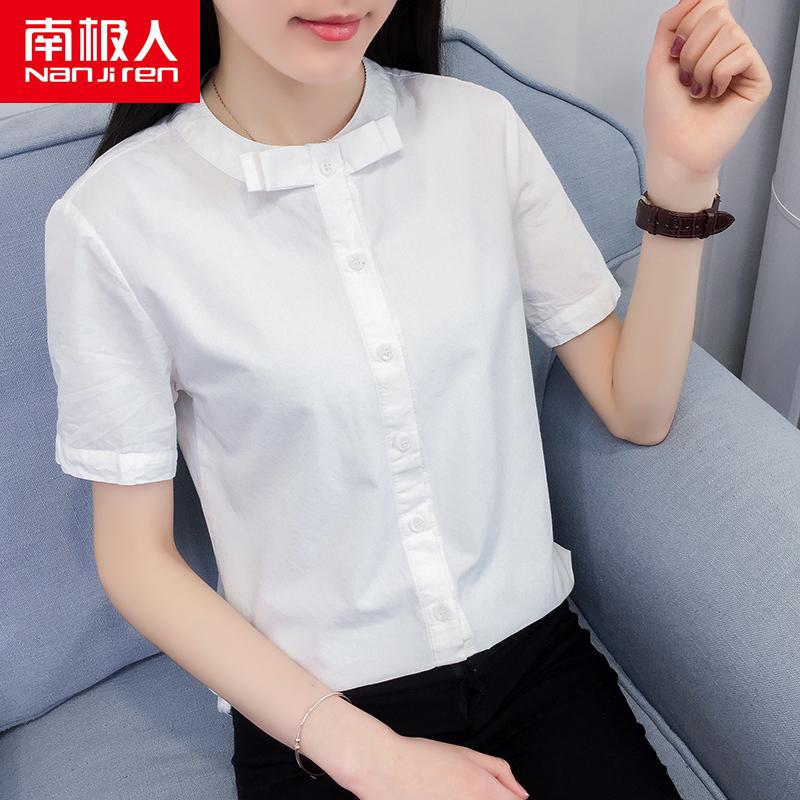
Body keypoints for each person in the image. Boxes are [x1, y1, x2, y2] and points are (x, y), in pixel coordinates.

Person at [45, 0, 744, 798]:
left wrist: (684, 176)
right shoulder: (114, 218)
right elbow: (135, 557)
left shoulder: (478, 129)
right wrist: (369, 756)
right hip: (316, 714)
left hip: (539, 663)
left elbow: (637, 408)